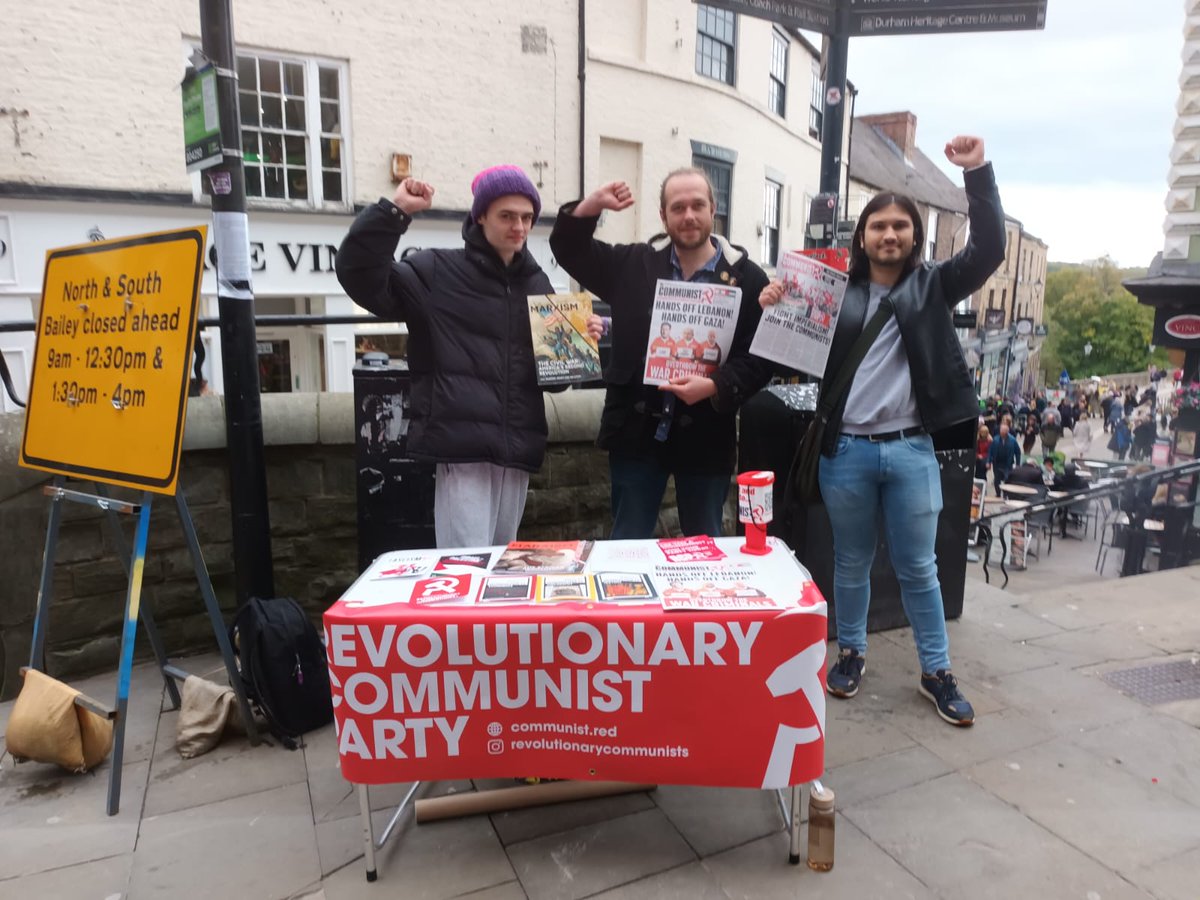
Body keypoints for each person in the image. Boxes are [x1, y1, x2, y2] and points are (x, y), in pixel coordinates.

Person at [760, 134, 1005, 727]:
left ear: (914, 236)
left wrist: (977, 174)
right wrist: (770, 302)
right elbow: (782, 346)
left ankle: (936, 672)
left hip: (911, 450)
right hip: (844, 453)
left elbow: (991, 248)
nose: (889, 235)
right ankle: (852, 654)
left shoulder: (934, 286)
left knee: (920, 568)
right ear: (862, 235)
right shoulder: (831, 293)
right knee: (849, 561)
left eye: (900, 226)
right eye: (878, 226)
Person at [335, 166, 591, 548]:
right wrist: (394, 211)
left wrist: (578, 342)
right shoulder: (437, 270)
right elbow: (360, 277)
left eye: (526, 217)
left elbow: (558, 381)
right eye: (507, 216)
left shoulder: (539, 284)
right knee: (466, 569)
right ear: (481, 216)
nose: (519, 226)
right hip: (462, 448)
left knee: (504, 567)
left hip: (517, 450)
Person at [549, 169, 777, 538]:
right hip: (636, 436)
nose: (688, 215)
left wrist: (716, 385)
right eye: (678, 207)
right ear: (663, 216)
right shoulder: (632, 264)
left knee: (705, 548)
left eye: (697, 205)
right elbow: (568, 249)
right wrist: (592, 206)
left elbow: (761, 360)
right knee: (626, 545)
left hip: (707, 439)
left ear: (713, 209)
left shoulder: (748, 278)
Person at [988, 421, 1022, 495]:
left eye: (1004, 431)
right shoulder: (995, 439)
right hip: (997, 463)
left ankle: (1006, 494)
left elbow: (1018, 452)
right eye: (1001, 431)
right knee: (997, 480)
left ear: (1007, 432)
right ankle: (998, 494)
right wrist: (989, 461)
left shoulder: (1012, 440)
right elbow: (990, 451)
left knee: (1007, 479)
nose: (1002, 433)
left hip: (1008, 464)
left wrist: (1018, 464)